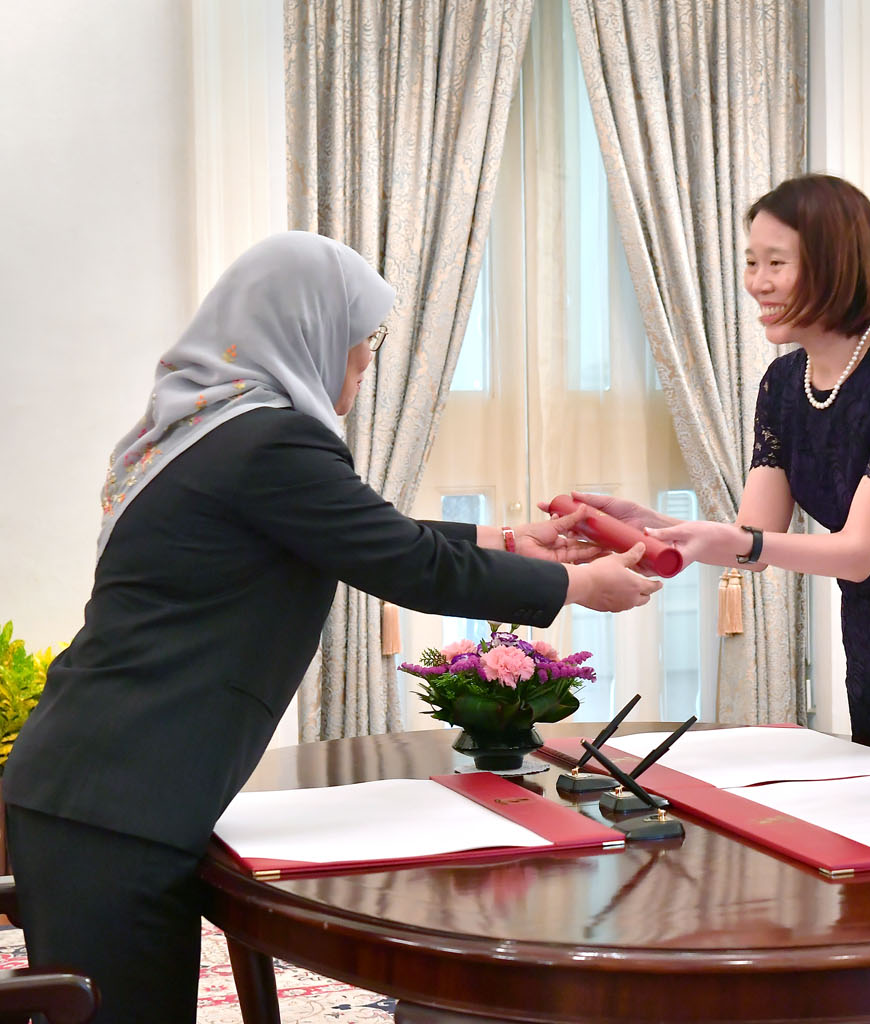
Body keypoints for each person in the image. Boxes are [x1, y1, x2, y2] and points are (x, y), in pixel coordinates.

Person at [3, 231, 661, 1024]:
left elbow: (362, 531)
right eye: (363, 332)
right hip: (116, 798)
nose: (366, 355)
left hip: (96, 783)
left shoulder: (219, 427)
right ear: (306, 324)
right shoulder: (272, 440)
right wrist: (576, 584)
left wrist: (510, 542)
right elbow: (403, 562)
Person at [568, 174, 870, 767]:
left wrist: (728, 538)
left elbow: (860, 552)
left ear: (835, 264)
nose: (757, 282)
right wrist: (652, 524)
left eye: (776, 263)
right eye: (751, 261)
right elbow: (756, 541)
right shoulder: (784, 385)